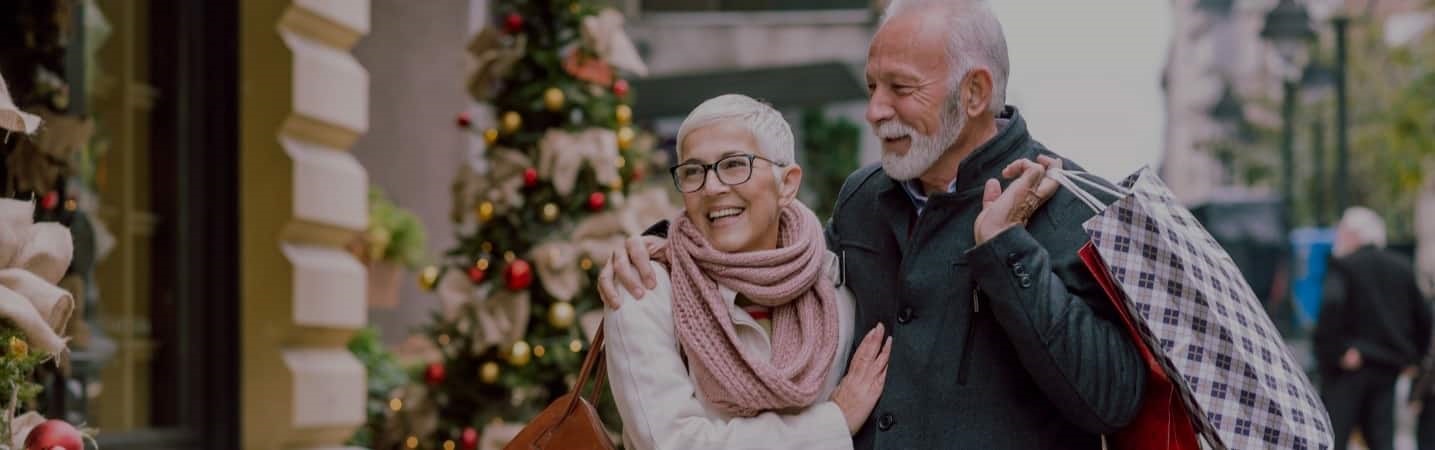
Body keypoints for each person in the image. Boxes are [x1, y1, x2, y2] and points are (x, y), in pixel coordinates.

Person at [599, 0, 1147, 448]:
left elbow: (1111, 402)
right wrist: (665, 245)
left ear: (975, 92)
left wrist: (1007, 249)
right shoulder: (864, 197)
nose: (875, 111)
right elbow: (781, 256)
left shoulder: (1075, 208)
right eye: (871, 88)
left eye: (900, 89)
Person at [603, 94, 893, 450]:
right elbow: (672, 444)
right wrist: (834, 422)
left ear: (787, 183)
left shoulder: (836, 288)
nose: (712, 187)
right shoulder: (644, 287)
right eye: (693, 171)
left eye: (734, 164)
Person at [1314, 207, 1432, 450]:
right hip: (1388, 366)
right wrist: (1414, 358)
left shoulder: (1344, 266)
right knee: (1381, 438)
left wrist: (1334, 353)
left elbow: (1330, 314)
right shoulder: (1402, 268)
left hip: (1348, 367)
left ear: (1355, 235)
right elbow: (1423, 318)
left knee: (1334, 435)